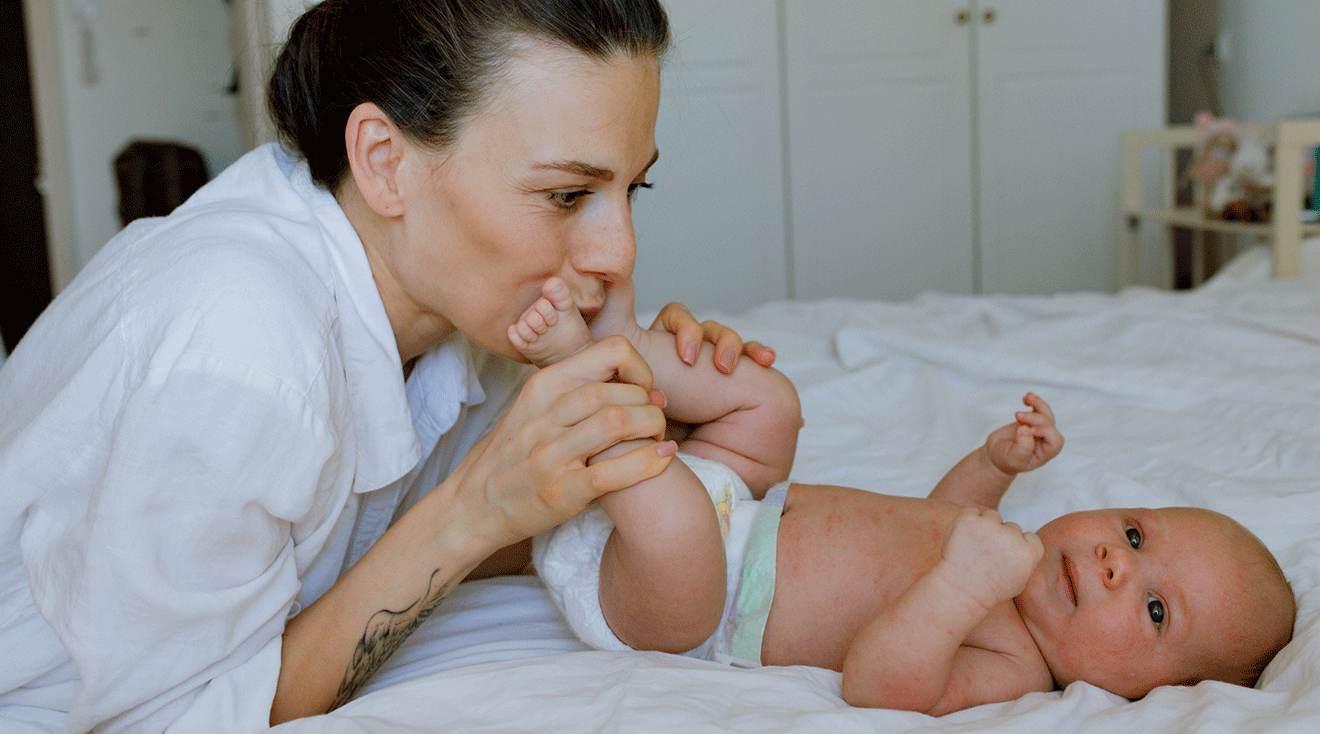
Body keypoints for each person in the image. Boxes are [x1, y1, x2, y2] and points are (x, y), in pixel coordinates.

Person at [0, 2, 776, 732]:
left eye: (632, 188)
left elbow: (615, 494)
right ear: (383, 162)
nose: (620, 254)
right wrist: (472, 510)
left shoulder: (453, 302)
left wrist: (647, 382)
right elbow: (178, 718)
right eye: (568, 195)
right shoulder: (236, 353)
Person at [520, 292, 1297, 715]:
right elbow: (941, 518)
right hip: (733, 499)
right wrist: (992, 466)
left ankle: (586, 386)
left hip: (689, 605)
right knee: (772, 407)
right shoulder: (1005, 547)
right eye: (1133, 534)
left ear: (1143, 694)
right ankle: (617, 340)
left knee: (681, 526)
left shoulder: (1017, 668)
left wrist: (966, 584)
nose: (1115, 564)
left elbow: (882, 685)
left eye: (1156, 610)